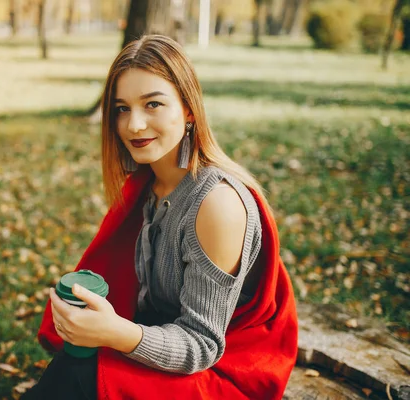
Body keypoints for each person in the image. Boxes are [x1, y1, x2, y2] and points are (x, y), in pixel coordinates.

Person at [23, 34, 298, 400]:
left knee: (84, 373)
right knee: (74, 368)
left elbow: (202, 346)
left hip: (227, 372)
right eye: (122, 108)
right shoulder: (151, 185)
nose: (134, 125)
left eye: (152, 104)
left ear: (188, 110)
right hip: (168, 346)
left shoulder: (217, 205)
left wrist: (114, 332)